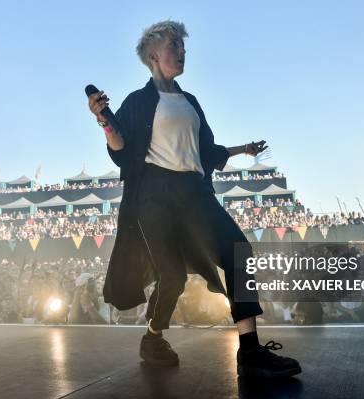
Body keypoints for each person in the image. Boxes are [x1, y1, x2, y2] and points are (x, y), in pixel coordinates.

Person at [87, 20, 300, 378]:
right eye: (175, 46)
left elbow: (205, 150)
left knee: (238, 251)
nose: (182, 51)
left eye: (183, 46)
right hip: (155, 196)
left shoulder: (190, 101)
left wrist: (244, 150)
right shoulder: (138, 101)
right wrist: (103, 121)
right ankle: (153, 337)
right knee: (172, 276)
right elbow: (121, 148)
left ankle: (249, 349)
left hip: (195, 193)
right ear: (154, 55)